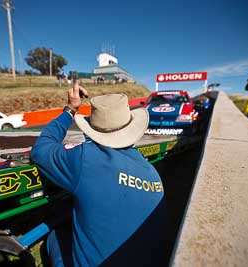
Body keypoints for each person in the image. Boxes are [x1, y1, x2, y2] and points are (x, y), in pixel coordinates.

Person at [31, 83, 170, 267]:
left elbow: (41, 149)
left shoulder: (86, 158)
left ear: (92, 129)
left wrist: (70, 109)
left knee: (55, 237)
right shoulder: (152, 173)